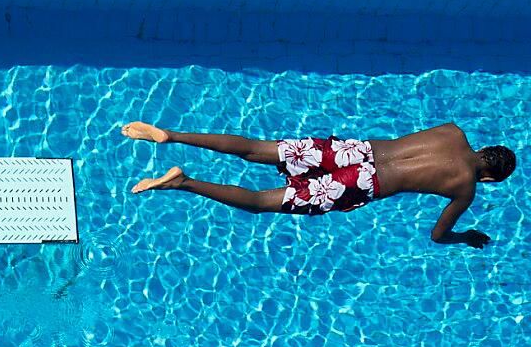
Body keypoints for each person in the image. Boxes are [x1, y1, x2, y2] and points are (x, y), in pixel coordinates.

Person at [123, 121, 516, 249]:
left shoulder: (452, 131)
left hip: (354, 151)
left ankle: (170, 136)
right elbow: (437, 235)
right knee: (261, 201)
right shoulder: (466, 187)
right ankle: (185, 183)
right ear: (490, 177)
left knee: (258, 150)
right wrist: (464, 237)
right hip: (364, 182)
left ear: (482, 148)